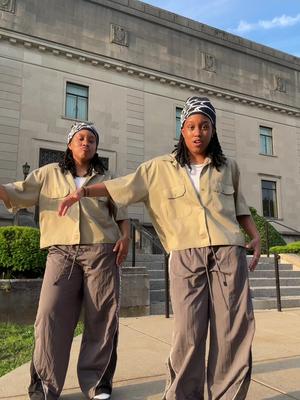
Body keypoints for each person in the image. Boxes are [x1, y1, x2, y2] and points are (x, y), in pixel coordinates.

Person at [59, 97, 261, 400]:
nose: (198, 132)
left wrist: (255, 236)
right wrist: (83, 191)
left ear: (213, 130)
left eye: (205, 126)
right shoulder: (159, 168)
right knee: (188, 334)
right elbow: (123, 186)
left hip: (228, 252)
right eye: (191, 126)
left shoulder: (228, 167)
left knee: (232, 331)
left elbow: (240, 208)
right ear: (182, 131)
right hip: (185, 255)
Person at [0, 122, 130, 400]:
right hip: (61, 252)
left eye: (92, 140)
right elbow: (18, 192)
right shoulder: (48, 174)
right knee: (49, 314)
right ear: (70, 143)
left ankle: (98, 384)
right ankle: (45, 386)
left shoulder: (107, 177)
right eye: (81, 138)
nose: (87, 143)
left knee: (102, 317)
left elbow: (121, 215)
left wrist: (126, 237)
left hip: (102, 251)